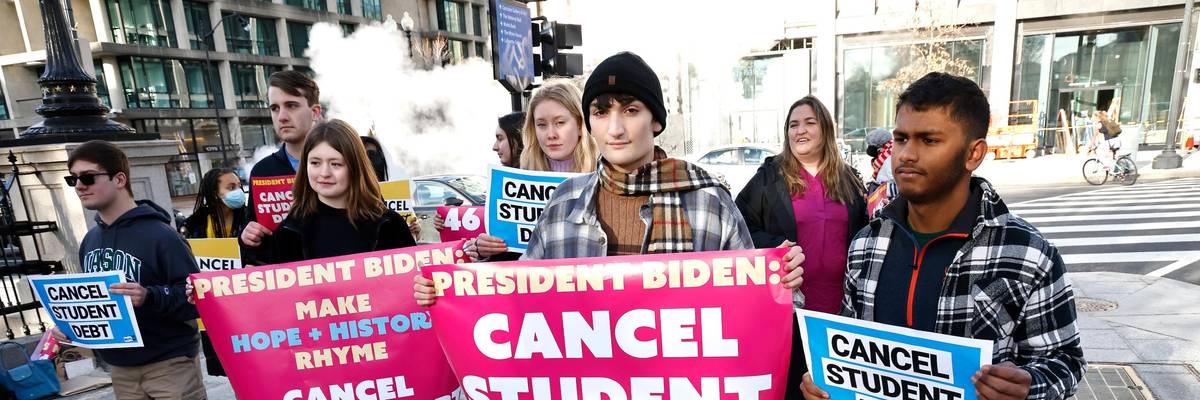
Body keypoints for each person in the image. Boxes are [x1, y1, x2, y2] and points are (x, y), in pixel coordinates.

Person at [416, 51, 805, 303]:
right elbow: (523, 301)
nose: (615, 129)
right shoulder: (563, 204)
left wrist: (782, 281)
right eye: (601, 113)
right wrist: (450, 292)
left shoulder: (708, 202)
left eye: (631, 111)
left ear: (655, 121)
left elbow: (757, 306)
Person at [800, 72, 1084, 400]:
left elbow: (1065, 361)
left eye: (929, 140)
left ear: (973, 154)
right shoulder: (866, 244)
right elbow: (848, 349)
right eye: (901, 139)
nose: (906, 154)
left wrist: (1029, 386)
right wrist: (825, 380)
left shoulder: (1028, 253)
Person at [735, 96, 867, 399]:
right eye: (793, 125)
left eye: (809, 122)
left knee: (833, 391)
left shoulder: (849, 180)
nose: (800, 130)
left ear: (826, 129)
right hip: (790, 312)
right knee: (795, 387)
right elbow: (739, 226)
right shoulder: (769, 178)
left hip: (840, 312)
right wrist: (775, 248)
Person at [58, 140, 206, 399]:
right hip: (120, 369)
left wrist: (149, 296)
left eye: (88, 177)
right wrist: (72, 324)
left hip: (169, 365)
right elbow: (97, 303)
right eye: (73, 179)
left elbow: (197, 299)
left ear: (119, 179)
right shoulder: (90, 241)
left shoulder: (162, 236)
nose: (79, 186)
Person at [245, 119, 417, 264]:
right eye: (315, 163)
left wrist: (425, 287)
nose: (324, 173)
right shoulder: (290, 231)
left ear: (355, 167)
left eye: (336, 164)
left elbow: (410, 283)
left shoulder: (389, 225)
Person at [467, 81, 599, 261]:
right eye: (541, 125)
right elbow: (514, 255)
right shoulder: (516, 181)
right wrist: (486, 250)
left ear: (580, 125)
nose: (551, 134)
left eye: (560, 123)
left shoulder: (607, 178)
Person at [240, 70, 322, 260]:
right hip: (288, 276)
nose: (282, 117)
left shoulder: (344, 162)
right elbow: (255, 238)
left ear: (315, 112)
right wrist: (247, 237)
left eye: (291, 105)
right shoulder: (263, 171)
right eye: (275, 108)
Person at [182, 168, 247, 377]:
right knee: (228, 364)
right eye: (230, 187)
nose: (238, 192)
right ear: (214, 193)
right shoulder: (194, 225)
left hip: (247, 300)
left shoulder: (249, 218)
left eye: (239, 186)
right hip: (215, 303)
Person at [432, 112, 525, 243]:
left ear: (519, 139)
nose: (494, 147)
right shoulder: (501, 183)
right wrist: (451, 220)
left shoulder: (545, 177)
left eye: (500, 138)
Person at [360, 135, 421, 239]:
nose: (368, 160)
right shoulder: (346, 196)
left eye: (372, 154)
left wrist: (415, 230)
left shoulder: (395, 191)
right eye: (361, 154)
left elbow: (412, 237)